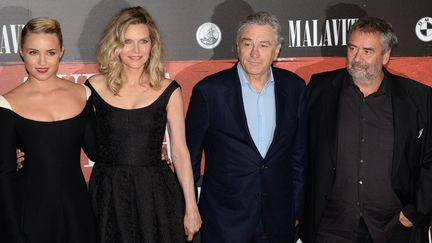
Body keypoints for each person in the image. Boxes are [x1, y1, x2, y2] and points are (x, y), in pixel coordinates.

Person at [300, 17, 432, 243]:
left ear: (386, 55)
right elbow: (299, 151)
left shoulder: (418, 98)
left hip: (395, 229)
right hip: (331, 227)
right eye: (352, 48)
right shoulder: (320, 90)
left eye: (368, 51)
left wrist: (415, 212)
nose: (357, 58)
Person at [186, 11, 307, 243]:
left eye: (264, 45)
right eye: (247, 43)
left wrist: (296, 209)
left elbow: (299, 155)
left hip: (278, 220)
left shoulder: (294, 88)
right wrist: (189, 208)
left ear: (277, 50)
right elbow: (189, 157)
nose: (254, 53)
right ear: (237, 46)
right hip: (224, 220)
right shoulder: (209, 91)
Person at [85, 6, 201, 243]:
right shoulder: (93, 87)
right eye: (127, 41)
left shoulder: (169, 90)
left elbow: (179, 151)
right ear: (115, 45)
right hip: (109, 192)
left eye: (143, 41)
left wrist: (191, 207)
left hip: (155, 194)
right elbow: (68, 133)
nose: (136, 50)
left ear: (153, 45)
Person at [0, 17, 96, 243]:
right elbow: (4, 176)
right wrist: (13, 232)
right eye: (34, 52)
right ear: (21, 52)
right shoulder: (6, 104)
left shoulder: (83, 94)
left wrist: (145, 151)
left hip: (77, 212)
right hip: (31, 217)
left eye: (50, 52)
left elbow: (99, 152)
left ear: (61, 51)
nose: (42, 61)